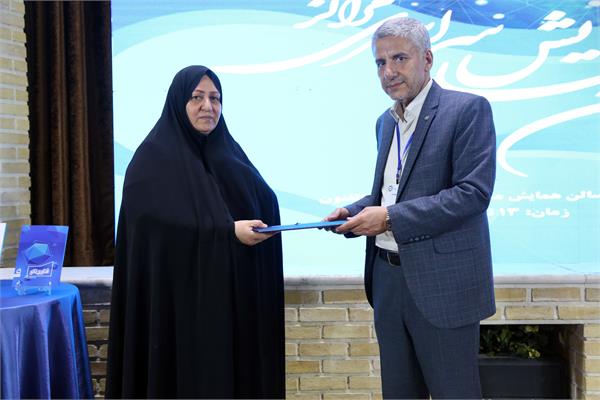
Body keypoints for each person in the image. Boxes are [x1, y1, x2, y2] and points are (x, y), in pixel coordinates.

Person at [324, 17, 496, 399]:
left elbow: (472, 193)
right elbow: (392, 193)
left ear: (428, 59)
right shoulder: (385, 123)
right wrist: (353, 212)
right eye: (380, 62)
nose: (389, 71)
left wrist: (387, 218)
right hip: (387, 280)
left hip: (443, 284)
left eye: (399, 58)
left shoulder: (467, 110)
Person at [106, 66, 284, 399]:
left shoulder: (229, 154)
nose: (208, 106)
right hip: (176, 311)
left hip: (231, 304)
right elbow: (152, 224)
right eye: (197, 97)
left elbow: (263, 199)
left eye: (215, 98)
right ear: (178, 102)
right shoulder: (152, 158)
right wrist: (226, 232)